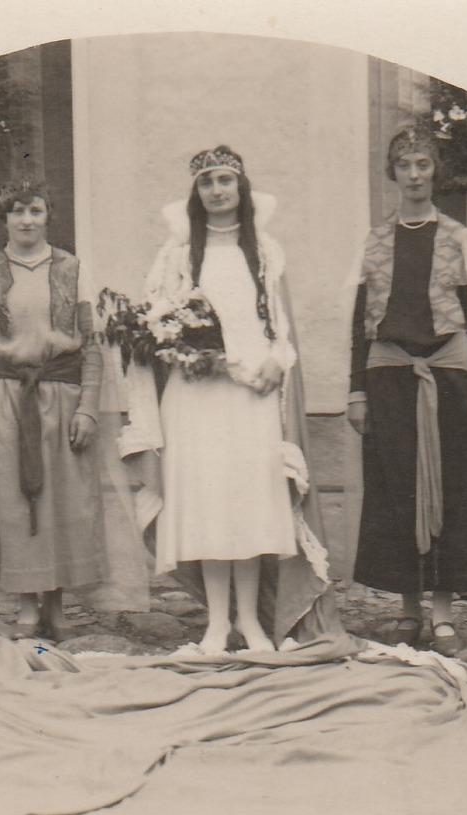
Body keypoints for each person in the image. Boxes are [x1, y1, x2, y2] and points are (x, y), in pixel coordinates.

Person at [132, 146, 323, 656]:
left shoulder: (263, 251)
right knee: (208, 508)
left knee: (247, 508)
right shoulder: (175, 256)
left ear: (241, 187)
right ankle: (216, 624)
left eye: (226, 181)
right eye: (207, 183)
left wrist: (273, 364)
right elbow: (157, 325)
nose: (217, 191)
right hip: (197, 398)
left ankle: (252, 623)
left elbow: (281, 331)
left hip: (251, 400)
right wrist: (193, 354)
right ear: (195, 193)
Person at [344, 122, 467, 655]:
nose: (414, 175)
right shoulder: (373, 242)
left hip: (449, 379)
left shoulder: (457, 239)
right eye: (404, 165)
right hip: (391, 378)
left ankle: (443, 616)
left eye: (423, 165)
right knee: (398, 493)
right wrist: (356, 392)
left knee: (450, 496)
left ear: (435, 172)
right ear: (392, 174)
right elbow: (359, 325)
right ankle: (408, 610)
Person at [0, 179, 146, 639]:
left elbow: (92, 346)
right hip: (5, 397)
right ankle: (24, 607)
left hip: (61, 393)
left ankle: (57, 605)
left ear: (48, 216)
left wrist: (87, 409)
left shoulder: (72, 269)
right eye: (17, 212)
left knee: (66, 500)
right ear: (4, 219)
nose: (26, 220)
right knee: (16, 502)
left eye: (35, 211)